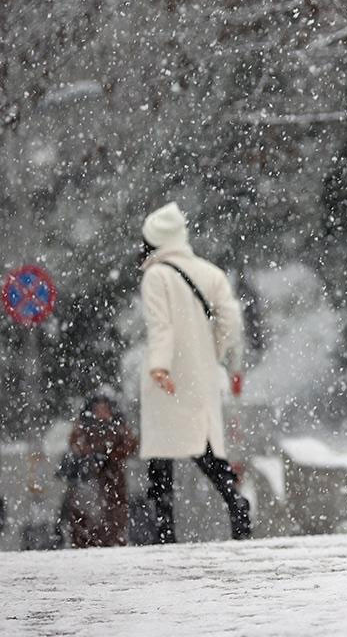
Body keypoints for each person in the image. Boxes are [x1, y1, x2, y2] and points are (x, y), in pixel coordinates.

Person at [139, 201, 252, 542]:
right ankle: (236, 504)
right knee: (202, 446)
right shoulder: (210, 272)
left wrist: (159, 365)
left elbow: (161, 327)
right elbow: (232, 321)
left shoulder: (156, 275)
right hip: (200, 374)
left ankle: (165, 531)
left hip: (168, 376)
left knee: (162, 454)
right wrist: (216, 354)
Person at [60, 391, 138, 548]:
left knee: (114, 517)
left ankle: (110, 543)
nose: (101, 413)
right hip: (88, 477)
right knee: (83, 514)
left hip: (114, 479)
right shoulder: (83, 426)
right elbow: (75, 443)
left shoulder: (119, 426)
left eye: (105, 409)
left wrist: (111, 456)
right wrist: (91, 454)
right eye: (98, 409)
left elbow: (131, 445)